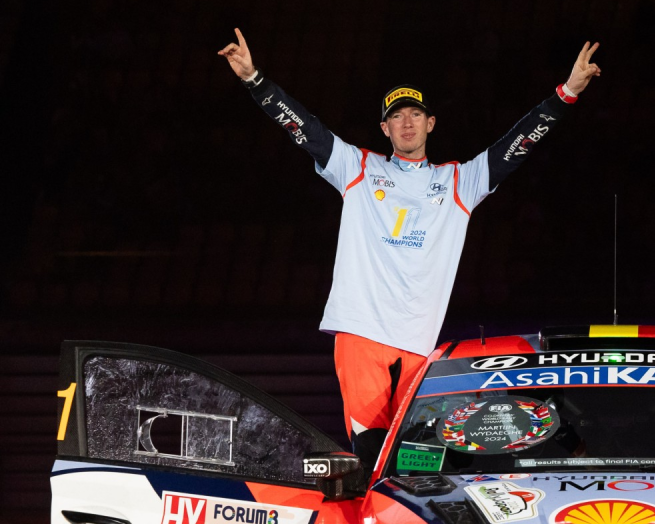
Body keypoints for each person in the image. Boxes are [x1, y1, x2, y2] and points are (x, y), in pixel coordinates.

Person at [217, 28, 601, 464]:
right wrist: (255, 80)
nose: (407, 122)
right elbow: (303, 128)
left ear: (430, 123)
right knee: (372, 453)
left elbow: (517, 146)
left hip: (419, 343)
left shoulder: (459, 182)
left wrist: (567, 92)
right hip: (361, 331)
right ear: (385, 128)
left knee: (421, 460)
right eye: (397, 116)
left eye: (415, 114)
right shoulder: (357, 167)